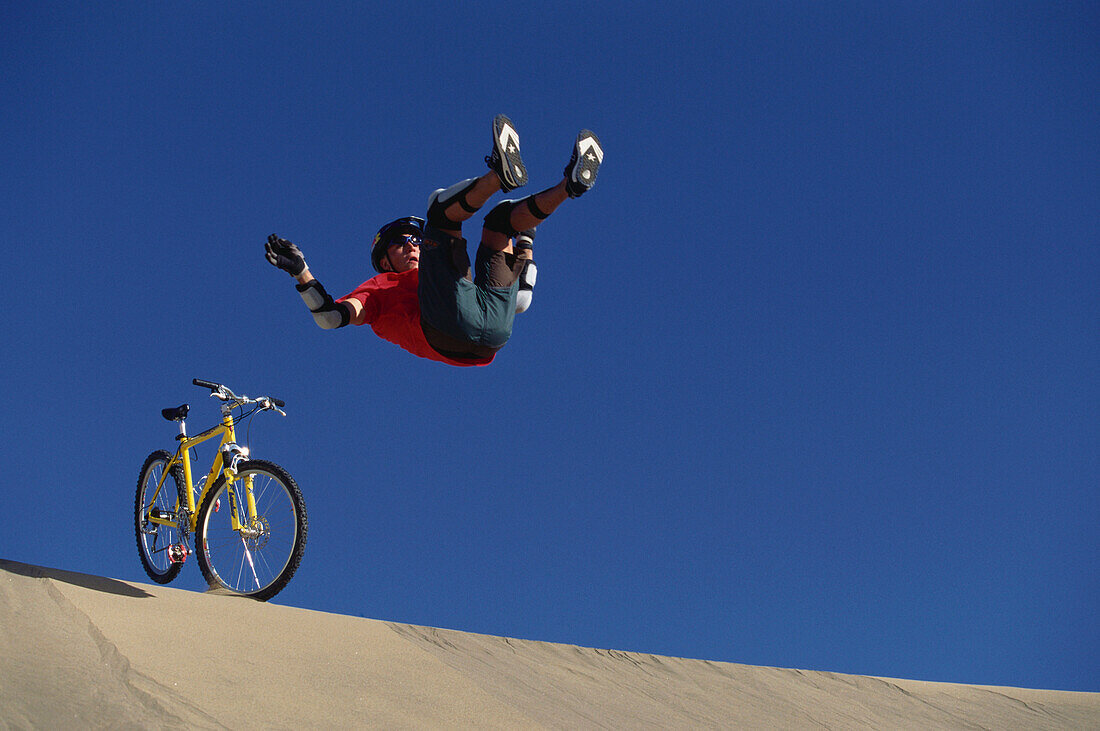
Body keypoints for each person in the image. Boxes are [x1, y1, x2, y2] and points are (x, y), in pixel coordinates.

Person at [265, 114, 603, 366]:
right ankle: (499, 175)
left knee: (501, 221)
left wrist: (525, 240)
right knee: (438, 213)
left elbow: (521, 300)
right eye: (401, 242)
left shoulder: (438, 275)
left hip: (490, 332)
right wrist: (301, 272)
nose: (413, 244)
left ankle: (568, 187)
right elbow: (330, 318)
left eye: (414, 239)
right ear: (384, 260)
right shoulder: (379, 287)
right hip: (450, 328)